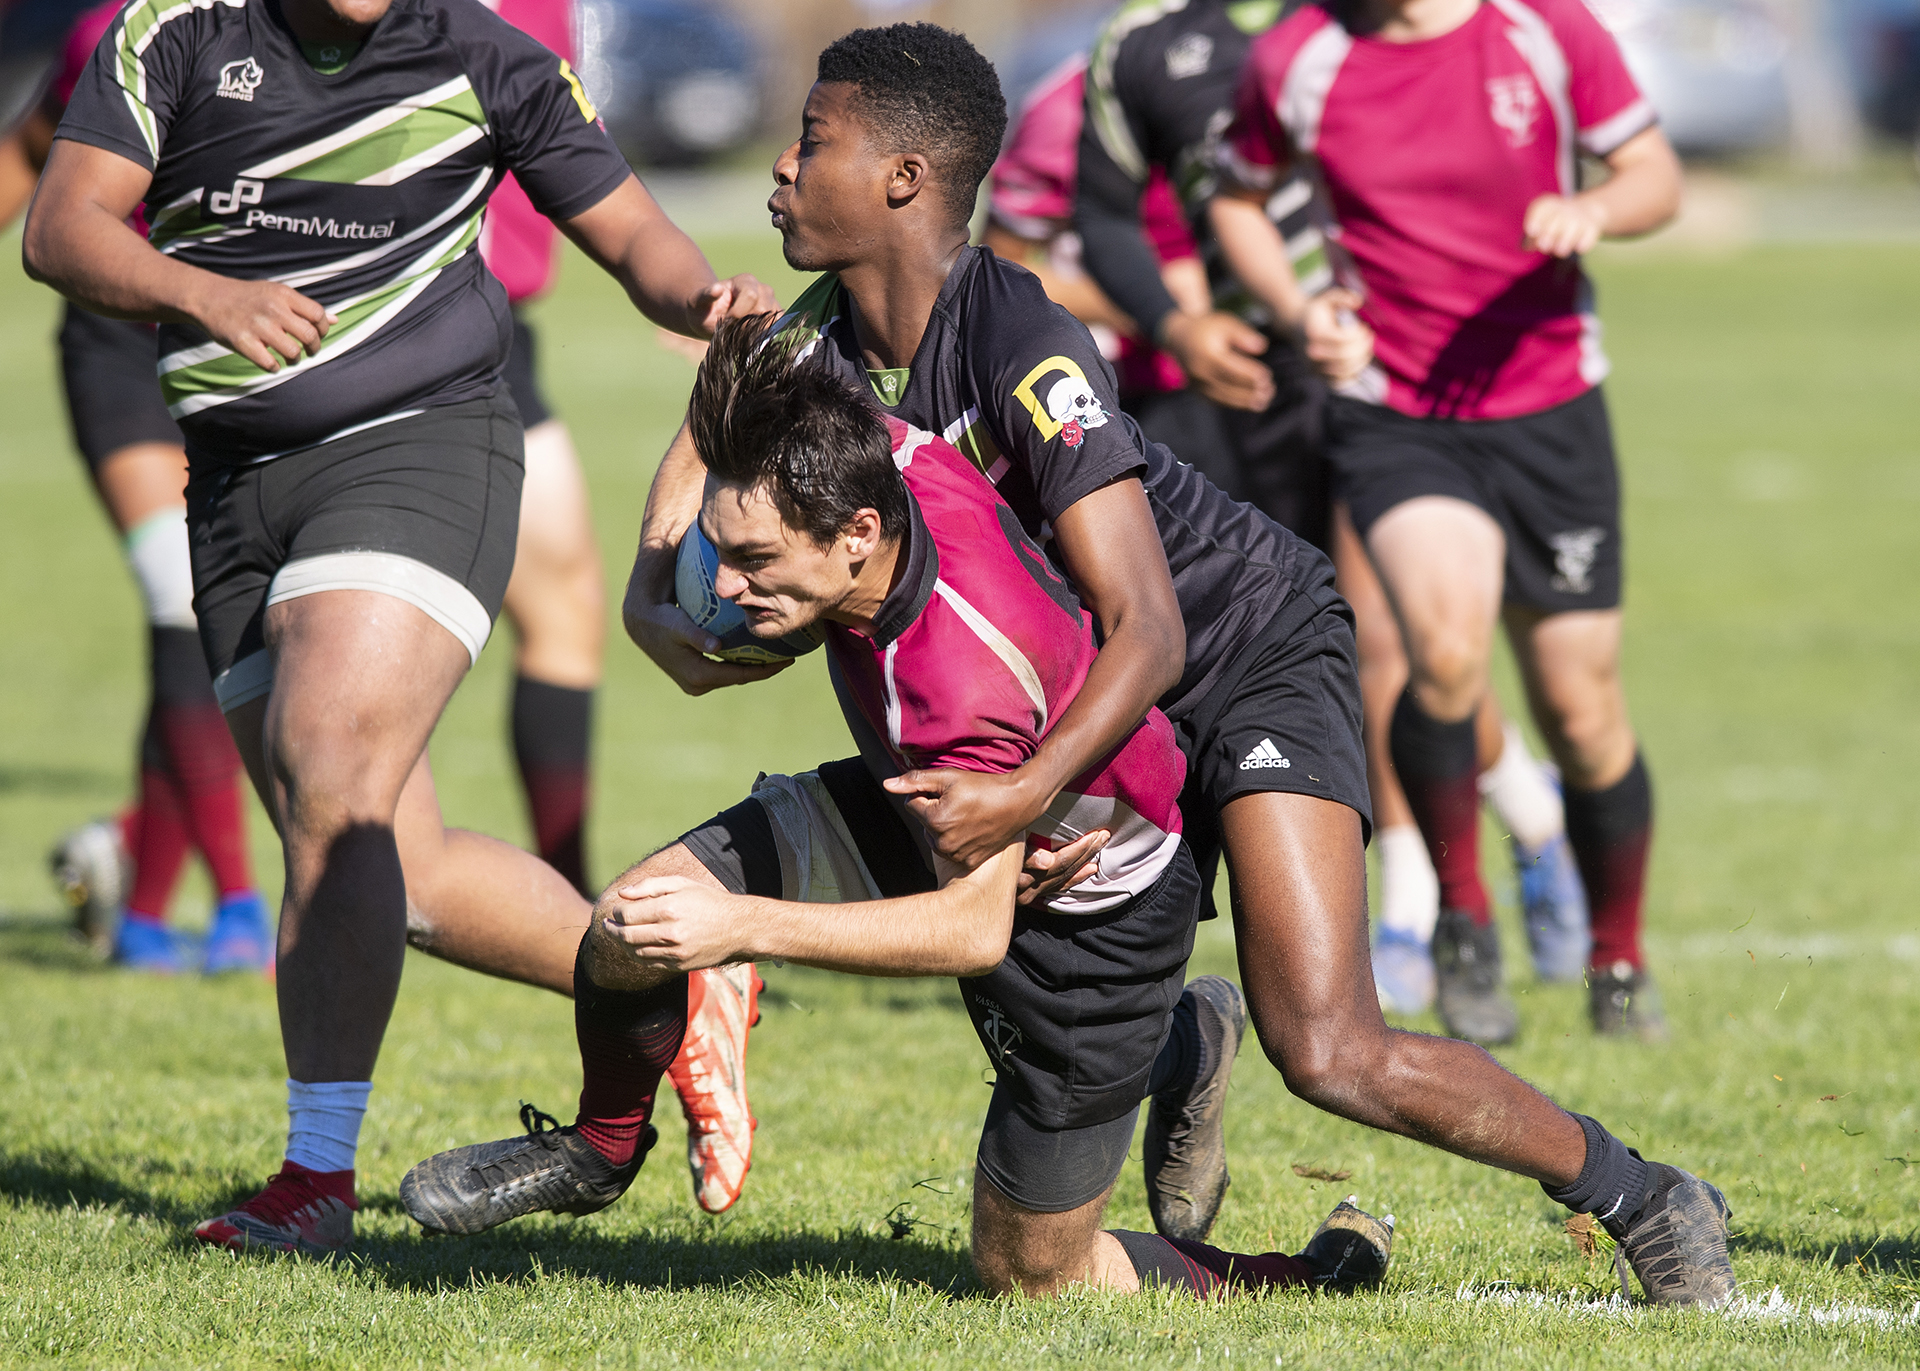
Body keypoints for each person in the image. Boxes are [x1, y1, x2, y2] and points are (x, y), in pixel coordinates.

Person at [601, 23, 1728, 1306]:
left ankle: (1641, 1193)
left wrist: (1028, 796)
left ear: (905, 178)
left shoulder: (1021, 339)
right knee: (1029, 1238)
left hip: (1237, 650)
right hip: (1083, 705)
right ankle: (1177, 1056)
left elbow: (1149, 626)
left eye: (813, 142)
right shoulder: (816, 351)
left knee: (1328, 1045)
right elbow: (721, 458)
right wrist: (658, 598)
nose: (782, 167)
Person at [399, 316, 1397, 1299]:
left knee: (1034, 1274)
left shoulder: (962, 688)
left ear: (858, 536)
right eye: (721, 551)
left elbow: (970, 930)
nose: (730, 587)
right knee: (635, 914)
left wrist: (740, 927)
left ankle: (1292, 1253)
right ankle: (600, 1149)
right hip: (920, 800)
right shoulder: (883, 453)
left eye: (756, 563)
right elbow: (732, 404)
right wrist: (655, 577)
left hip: (1090, 913)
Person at [23, 0, 773, 1255]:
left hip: (421, 448)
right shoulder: (173, 34)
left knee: (331, 768)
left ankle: (315, 1178)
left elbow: (631, 226)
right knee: (388, 868)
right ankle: (682, 975)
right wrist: (202, 293)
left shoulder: (486, 55)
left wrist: (701, 294)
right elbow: (60, 228)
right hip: (232, 488)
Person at [1074, 0, 1587, 1040]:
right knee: (1251, 647)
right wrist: (1178, 325)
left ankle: (1412, 908)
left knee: (1391, 640)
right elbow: (1107, 219)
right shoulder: (1143, 42)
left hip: (1373, 375)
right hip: (1222, 392)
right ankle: (1532, 807)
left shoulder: (1363, 23)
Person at [1211, 0, 1680, 1041]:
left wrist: (1595, 210)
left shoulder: (1545, 30)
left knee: (1581, 711)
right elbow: (1238, 199)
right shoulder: (1300, 54)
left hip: (1553, 410)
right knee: (1447, 650)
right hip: (1398, 414)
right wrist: (1303, 309)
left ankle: (1617, 956)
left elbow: (1656, 175)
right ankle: (1462, 917)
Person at [480, 0, 761, 1216]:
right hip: (464, 340)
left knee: (361, 829)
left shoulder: (510, 23)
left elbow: (597, 189)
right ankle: (612, 936)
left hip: (428, 347)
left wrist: (700, 303)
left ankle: (623, 951)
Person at [2, 1, 271, 975]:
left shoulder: (301, 35)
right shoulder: (112, 30)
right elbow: (30, 152)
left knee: (240, 620)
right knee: (176, 592)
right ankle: (237, 900)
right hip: (118, 344)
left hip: (241, 343)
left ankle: (139, 893)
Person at [981, 53, 1233, 493]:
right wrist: (1150, 304)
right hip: (1125, 397)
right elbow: (999, 270)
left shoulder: (1240, 68)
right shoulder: (1064, 110)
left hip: (1261, 369)